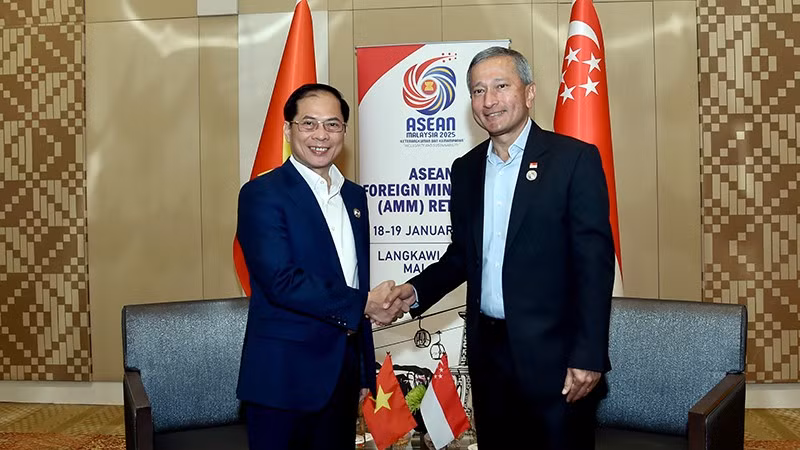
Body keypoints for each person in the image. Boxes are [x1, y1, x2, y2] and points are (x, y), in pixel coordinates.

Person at [386, 47, 615, 449]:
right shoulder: (467, 169)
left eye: (500, 86)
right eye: (477, 90)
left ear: (529, 93)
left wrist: (588, 354)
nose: (488, 100)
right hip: (489, 354)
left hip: (557, 357)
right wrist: (415, 291)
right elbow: (463, 255)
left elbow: (594, 266)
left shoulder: (573, 160)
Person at [236, 83, 406, 450]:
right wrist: (364, 304)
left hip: (341, 376)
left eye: (332, 125)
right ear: (288, 130)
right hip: (282, 379)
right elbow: (281, 280)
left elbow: (354, 279)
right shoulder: (262, 195)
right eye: (309, 124)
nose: (321, 135)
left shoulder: (354, 197)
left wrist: (362, 369)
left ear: (344, 131)